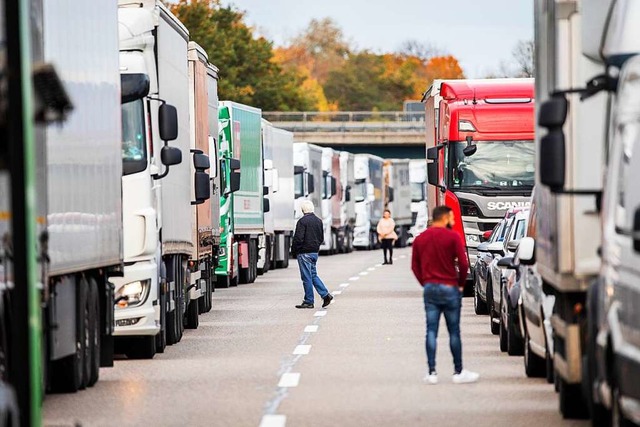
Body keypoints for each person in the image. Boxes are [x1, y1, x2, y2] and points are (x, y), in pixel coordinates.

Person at [411, 205, 479, 385]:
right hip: (450, 287)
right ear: (444, 217)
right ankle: (458, 371)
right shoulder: (453, 237)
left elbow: (414, 266)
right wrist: (461, 285)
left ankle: (432, 372)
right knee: (454, 331)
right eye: (451, 217)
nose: (453, 219)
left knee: (431, 330)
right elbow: (464, 264)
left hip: (430, 288)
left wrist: (425, 283)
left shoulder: (420, 239)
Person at [291, 200, 333, 309]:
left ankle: (309, 301)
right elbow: (321, 238)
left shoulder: (302, 222)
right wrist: (315, 247)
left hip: (304, 252)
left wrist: (294, 250)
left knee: (306, 277)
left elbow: (298, 238)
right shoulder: (318, 221)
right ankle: (325, 295)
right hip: (314, 252)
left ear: (303, 210)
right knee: (313, 275)